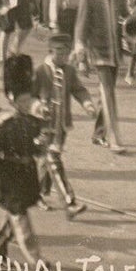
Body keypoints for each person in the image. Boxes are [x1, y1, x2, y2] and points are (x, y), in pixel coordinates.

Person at [0, 54, 47, 262]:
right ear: (12, 98)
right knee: (21, 219)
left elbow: (38, 150)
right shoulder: (2, 123)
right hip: (9, 176)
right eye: (23, 99)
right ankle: (37, 262)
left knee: (14, 214)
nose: (28, 102)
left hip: (26, 173)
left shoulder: (35, 121)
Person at [34, 33, 95, 218]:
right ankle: (69, 202)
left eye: (66, 52)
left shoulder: (69, 71)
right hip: (43, 126)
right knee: (53, 160)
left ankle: (37, 193)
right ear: (50, 51)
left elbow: (79, 89)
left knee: (48, 162)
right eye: (59, 52)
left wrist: (87, 104)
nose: (63, 56)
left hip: (61, 125)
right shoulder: (41, 71)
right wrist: (38, 107)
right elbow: (29, 95)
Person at [73, 0, 128, 154]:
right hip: (98, 53)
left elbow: (127, 19)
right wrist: (81, 58)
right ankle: (113, 138)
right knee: (108, 94)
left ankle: (98, 133)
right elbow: (80, 29)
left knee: (107, 93)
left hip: (115, 53)